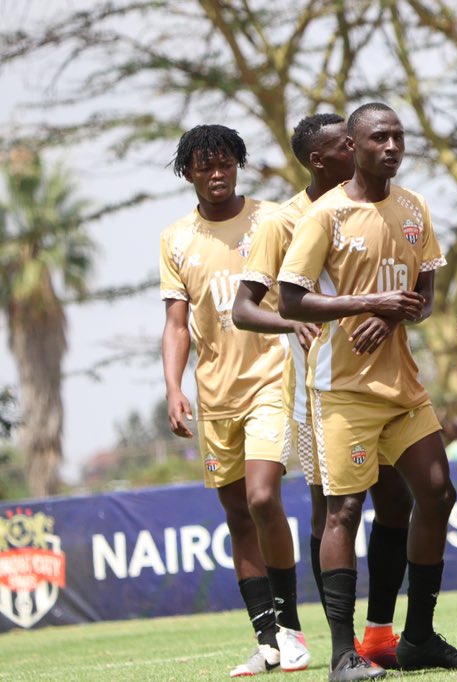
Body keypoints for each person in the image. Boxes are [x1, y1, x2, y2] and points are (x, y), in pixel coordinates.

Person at [278, 102, 457, 679]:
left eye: (399, 136)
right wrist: (364, 305)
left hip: (403, 385)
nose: (392, 146)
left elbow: (425, 293)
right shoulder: (326, 215)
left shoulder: (414, 208)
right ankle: (344, 655)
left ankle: (418, 638)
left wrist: (394, 318)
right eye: (379, 138)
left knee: (438, 492)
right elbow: (290, 300)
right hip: (341, 388)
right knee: (344, 510)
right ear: (353, 144)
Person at [231, 113, 413, 669]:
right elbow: (244, 307)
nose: (364, 149)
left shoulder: (383, 206)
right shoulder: (284, 220)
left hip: (385, 381)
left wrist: (389, 317)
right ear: (322, 158)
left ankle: (379, 633)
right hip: (319, 387)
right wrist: (294, 325)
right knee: (331, 509)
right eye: (346, 146)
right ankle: (333, 641)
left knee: (397, 502)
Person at [159, 124, 309, 676]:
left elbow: (303, 284)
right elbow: (177, 325)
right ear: (188, 172)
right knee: (237, 516)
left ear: (238, 165)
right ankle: (267, 641)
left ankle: (292, 629)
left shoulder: (271, 220)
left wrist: (304, 321)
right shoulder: (175, 238)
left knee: (264, 498)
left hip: (270, 381)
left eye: (225, 163)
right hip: (213, 395)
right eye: (204, 166)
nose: (216, 173)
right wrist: (174, 388)